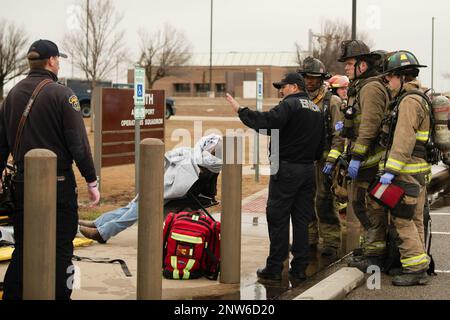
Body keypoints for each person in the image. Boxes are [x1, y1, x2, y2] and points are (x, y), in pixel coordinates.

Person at [0, 39, 100, 300]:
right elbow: (78, 143)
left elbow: (1, 144)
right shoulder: (62, 94)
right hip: (59, 185)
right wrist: (91, 180)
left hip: (23, 185)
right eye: (59, 60)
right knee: (62, 249)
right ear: (52, 61)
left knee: (23, 248)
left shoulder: (12, 95)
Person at [225, 72, 324, 282]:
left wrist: (241, 111)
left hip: (286, 169)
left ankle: (275, 266)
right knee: (301, 220)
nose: (281, 90)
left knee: (277, 217)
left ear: (295, 87)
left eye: (284, 86)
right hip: (308, 171)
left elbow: (267, 122)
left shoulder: (289, 105)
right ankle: (299, 267)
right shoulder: (316, 109)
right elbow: (321, 146)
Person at [79, 134, 222, 243]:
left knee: (140, 207)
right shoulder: (199, 158)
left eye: (212, 149)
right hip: (170, 187)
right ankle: (99, 223)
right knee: (133, 206)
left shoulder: (210, 166)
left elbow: (183, 185)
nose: (209, 149)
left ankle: (103, 233)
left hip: (180, 194)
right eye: (210, 147)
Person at [378, 50, 431, 286]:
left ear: (401, 77)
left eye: (389, 78)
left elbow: (404, 139)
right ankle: (419, 263)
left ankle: (415, 268)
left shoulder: (409, 102)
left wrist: (391, 170)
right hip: (419, 171)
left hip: (407, 172)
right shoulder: (419, 98)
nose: (388, 83)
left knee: (402, 219)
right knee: (415, 219)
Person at [337, 40, 391, 271]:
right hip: (362, 158)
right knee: (359, 204)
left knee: (370, 207)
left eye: (350, 63)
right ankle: (369, 248)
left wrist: (357, 157)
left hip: (372, 160)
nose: (346, 68)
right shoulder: (360, 87)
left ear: (363, 65)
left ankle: (375, 255)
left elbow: (370, 125)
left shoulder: (371, 88)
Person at [298, 57, 345, 257]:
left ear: (321, 79)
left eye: (313, 78)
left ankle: (331, 242)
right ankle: (309, 238)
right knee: (306, 201)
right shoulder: (299, 100)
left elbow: (339, 134)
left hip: (325, 162)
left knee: (324, 201)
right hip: (305, 161)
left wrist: (332, 160)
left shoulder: (332, 102)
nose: (309, 81)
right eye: (306, 77)